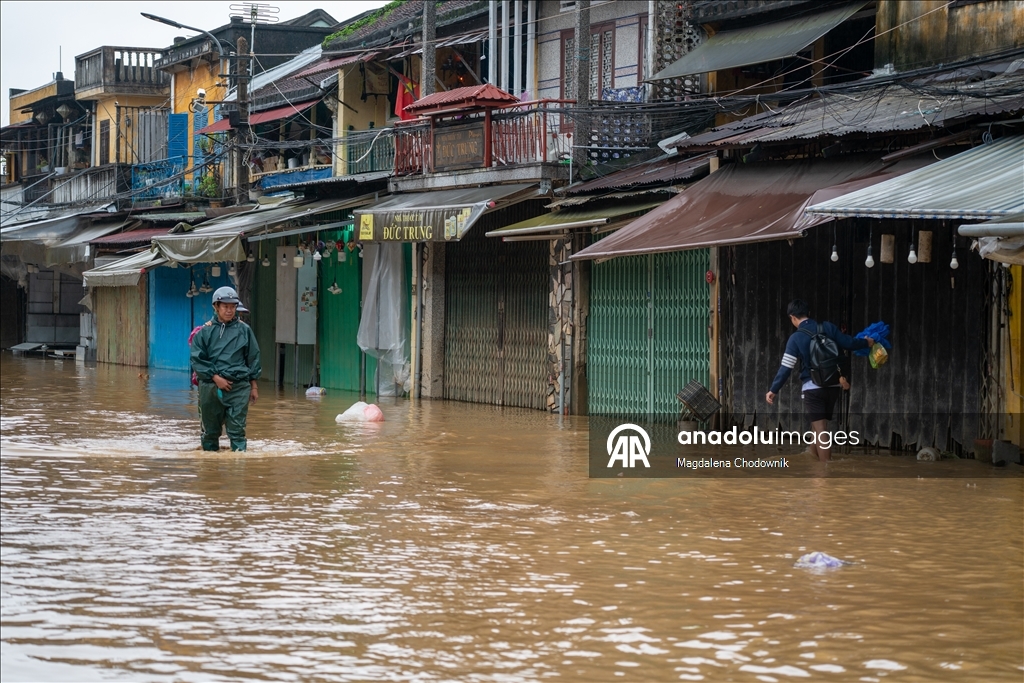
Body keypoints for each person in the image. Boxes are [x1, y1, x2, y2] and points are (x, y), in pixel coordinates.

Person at [765, 299, 873, 461]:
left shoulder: (796, 338)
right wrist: (867, 342)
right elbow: (848, 343)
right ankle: (811, 455)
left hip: (812, 387)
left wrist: (773, 389)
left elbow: (786, 368)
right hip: (834, 386)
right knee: (818, 424)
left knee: (821, 428)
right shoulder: (827, 327)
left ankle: (825, 469)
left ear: (792, 318)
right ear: (809, 314)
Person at [190, 286, 261, 451]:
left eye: (233, 307)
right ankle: (210, 470)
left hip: (239, 387)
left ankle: (238, 467)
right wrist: (215, 377)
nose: (230, 310)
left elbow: (253, 358)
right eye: (225, 306)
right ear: (216, 306)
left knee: (237, 431)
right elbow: (197, 360)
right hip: (210, 388)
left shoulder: (245, 331)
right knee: (210, 432)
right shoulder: (204, 332)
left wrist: (254, 386)